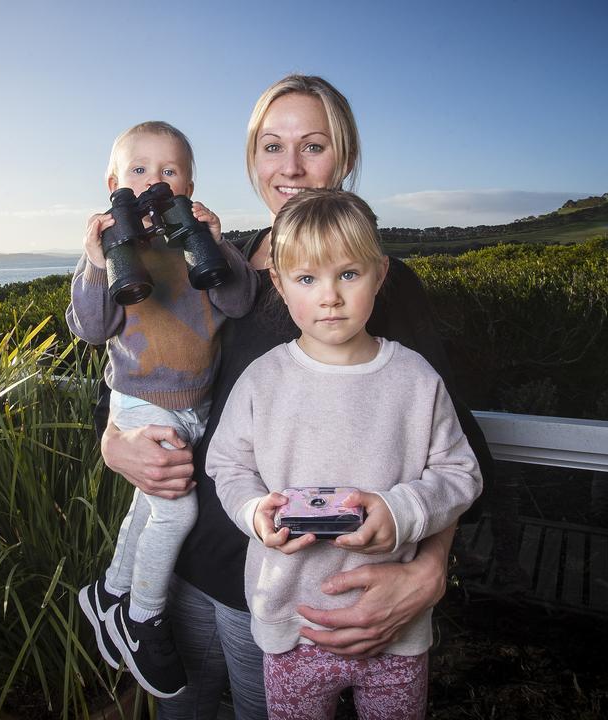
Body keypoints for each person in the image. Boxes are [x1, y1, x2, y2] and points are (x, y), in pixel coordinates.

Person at [97, 75, 496, 718]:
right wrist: (114, 443)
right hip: (179, 556)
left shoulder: (378, 286)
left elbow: (454, 453)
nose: (291, 168)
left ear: (345, 156)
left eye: (313, 146)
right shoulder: (212, 261)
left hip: (286, 583)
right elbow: (139, 364)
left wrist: (428, 572)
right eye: (272, 147)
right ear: (252, 157)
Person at [206, 189, 481, 718]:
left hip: (394, 633)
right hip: (291, 627)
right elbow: (228, 466)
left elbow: (460, 473)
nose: (329, 296)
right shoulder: (262, 380)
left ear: (379, 275)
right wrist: (251, 511)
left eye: (348, 275)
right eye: (307, 279)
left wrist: (401, 512)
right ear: (280, 286)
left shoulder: (415, 378)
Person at [67, 120, 258, 698]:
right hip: (139, 401)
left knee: (151, 508)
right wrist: (98, 261)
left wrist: (216, 243)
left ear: (190, 183)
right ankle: (142, 619)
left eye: (169, 172)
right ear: (113, 184)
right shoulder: (118, 255)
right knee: (175, 511)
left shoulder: (194, 246)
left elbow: (241, 301)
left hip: (194, 406)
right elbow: (92, 329)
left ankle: (109, 593)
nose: (154, 182)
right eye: (139, 171)